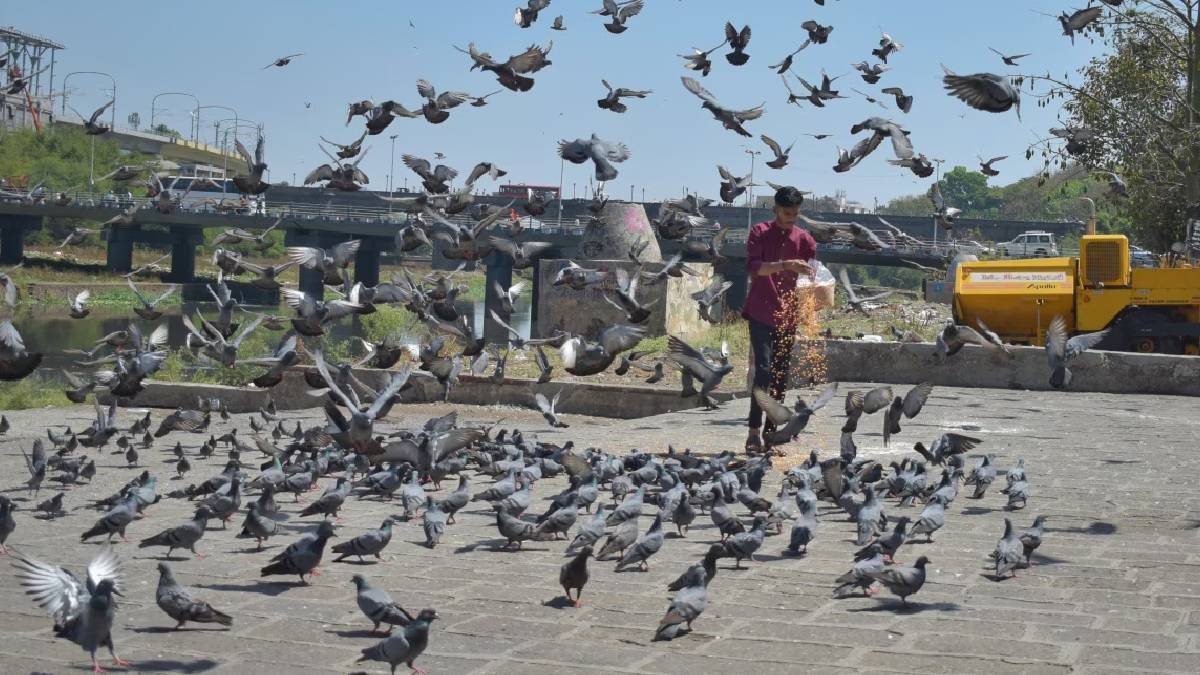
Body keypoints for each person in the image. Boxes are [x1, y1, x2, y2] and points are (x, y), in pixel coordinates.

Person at [742, 186, 817, 453]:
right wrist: (786, 265)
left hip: (788, 316)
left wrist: (815, 283)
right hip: (761, 311)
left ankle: (771, 434)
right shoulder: (759, 232)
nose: (791, 218)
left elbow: (811, 275)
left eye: (795, 214)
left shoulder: (805, 240)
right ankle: (753, 430)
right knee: (763, 370)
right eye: (786, 213)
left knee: (780, 375)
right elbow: (755, 269)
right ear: (775, 210)